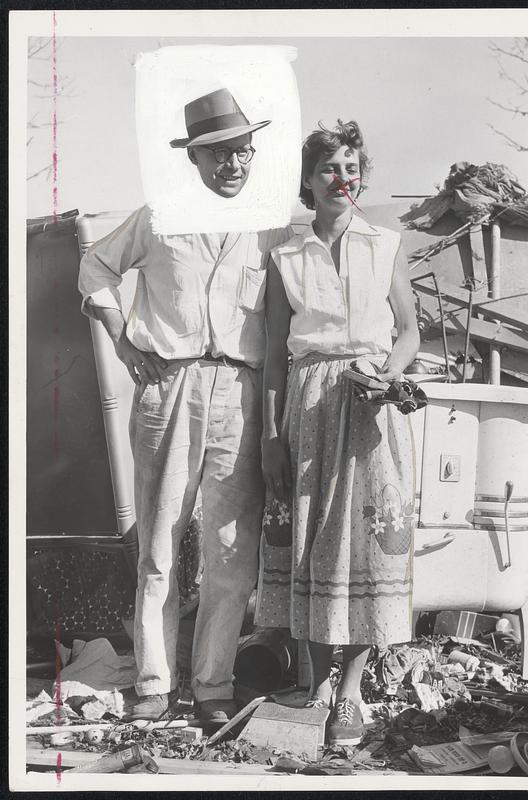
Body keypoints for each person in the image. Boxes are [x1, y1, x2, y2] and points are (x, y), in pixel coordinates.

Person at [78, 88, 290, 729]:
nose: (234, 164)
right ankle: (151, 685)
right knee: (160, 544)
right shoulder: (157, 217)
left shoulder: (271, 226)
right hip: (168, 385)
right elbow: (94, 266)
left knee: (231, 548)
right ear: (195, 159)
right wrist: (120, 338)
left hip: (244, 390)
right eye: (222, 153)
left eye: (244, 152)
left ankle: (212, 686)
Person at [255, 120, 421, 746]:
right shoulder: (286, 258)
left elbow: (408, 330)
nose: (342, 180)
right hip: (308, 404)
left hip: (370, 404)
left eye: (351, 168)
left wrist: (389, 374)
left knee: (364, 544)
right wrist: (272, 437)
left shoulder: (386, 243)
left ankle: (349, 694)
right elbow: (275, 357)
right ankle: (316, 679)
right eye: (329, 169)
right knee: (312, 542)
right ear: (307, 179)